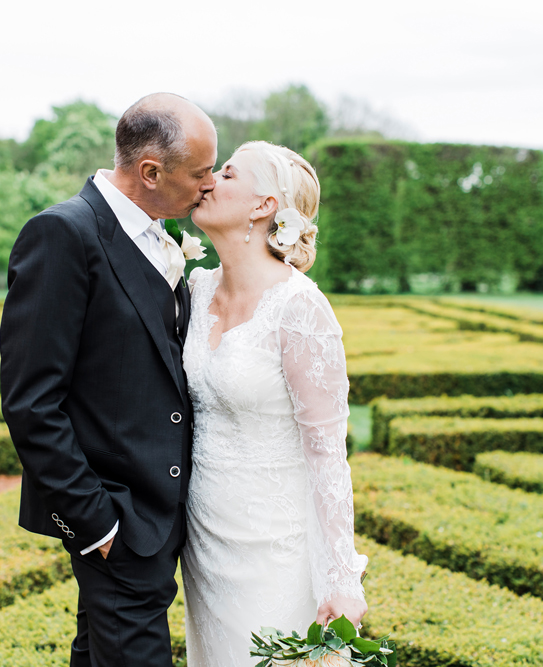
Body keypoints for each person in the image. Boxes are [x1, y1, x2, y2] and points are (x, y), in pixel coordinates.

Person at [0, 92, 217, 667]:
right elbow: (31, 401)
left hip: (161, 519)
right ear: (151, 171)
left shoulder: (160, 238)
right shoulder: (62, 234)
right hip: (115, 519)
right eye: (199, 172)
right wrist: (95, 523)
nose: (210, 184)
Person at [181, 141, 368, 666]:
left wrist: (340, 576)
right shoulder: (194, 289)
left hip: (276, 547)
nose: (210, 178)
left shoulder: (299, 307)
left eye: (229, 173)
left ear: (263, 206)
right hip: (204, 540)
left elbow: (328, 452)